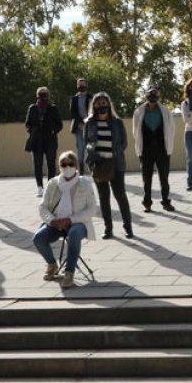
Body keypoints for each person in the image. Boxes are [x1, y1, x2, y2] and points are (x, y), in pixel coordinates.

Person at [32, 151, 99, 287]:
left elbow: (92, 209)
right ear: (59, 166)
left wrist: (71, 220)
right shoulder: (53, 183)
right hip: (56, 223)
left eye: (70, 164)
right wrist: (52, 220)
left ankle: (69, 272)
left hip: (78, 224)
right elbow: (43, 207)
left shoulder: (84, 183)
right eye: (63, 164)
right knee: (38, 238)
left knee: (74, 234)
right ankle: (52, 265)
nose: (67, 167)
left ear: (76, 166)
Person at [84, 92, 134, 239]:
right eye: (98, 103)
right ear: (94, 106)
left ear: (109, 104)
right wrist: (93, 159)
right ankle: (108, 229)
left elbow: (124, 142)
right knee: (104, 198)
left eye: (104, 103)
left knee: (120, 196)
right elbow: (86, 143)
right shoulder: (89, 123)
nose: (102, 106)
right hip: (99, 165)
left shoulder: (117, 122)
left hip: (116, 164)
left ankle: (128, 228)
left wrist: (113, 154)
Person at [131, 87, 176, 213]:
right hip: (146, 149)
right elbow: (136, 131)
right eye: (150, 95)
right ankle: (147, 203)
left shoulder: (165, 111)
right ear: (145, 97)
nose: (152, 97)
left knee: (164, 177)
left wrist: (169, 146)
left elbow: (171, 129)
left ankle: (166, 202)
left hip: (162, 148)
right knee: (146, 178)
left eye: (155, 95)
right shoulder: (139, 112)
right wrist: (139, 147)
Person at [25, 87, 64, 196]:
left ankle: (50, 187)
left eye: (44, 95)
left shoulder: (53, 108)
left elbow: (60, 124)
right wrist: (32, 131)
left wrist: (53, 130)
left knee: (51, 163)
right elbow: (27, 123)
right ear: (37, 96)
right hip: (37, 141)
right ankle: (39, 187)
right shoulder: (32, 108)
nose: (42, 97)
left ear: (48, 96)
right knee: (37, 164)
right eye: (40, 95)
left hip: (50, 140)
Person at [68, 79, 92, 172]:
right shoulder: (74, 98)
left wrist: (87, 122)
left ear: (86, 85)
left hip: (90, 127)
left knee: (91, 149)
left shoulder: (91, 97)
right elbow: (72, 112)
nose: (81, 86)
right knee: (80, 149)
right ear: (77, 86)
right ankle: (81, 171)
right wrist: (80, 123)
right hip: (79, 127)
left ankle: (92, 169)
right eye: (79, 85)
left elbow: (93, 111)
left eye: (83, 85)